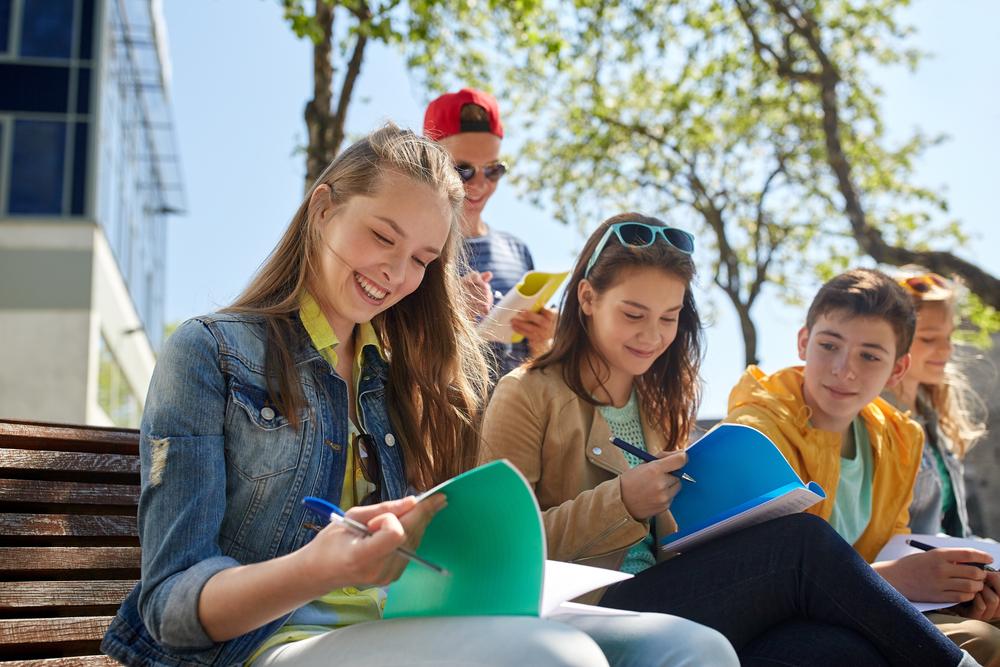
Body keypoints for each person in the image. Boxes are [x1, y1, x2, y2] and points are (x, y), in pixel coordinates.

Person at [100, 125, 734, 667]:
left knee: (691, 648)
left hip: (412, 621)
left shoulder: (412, 375)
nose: (398, 274)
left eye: (423, 258)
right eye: (383, 237)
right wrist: (320, 568)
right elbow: (168, 609)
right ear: (323, 208)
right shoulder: (211, 352)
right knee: (551, 658)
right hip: (277, 639)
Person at [480, 215, 978, 666]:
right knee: (800, 543)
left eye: (669, 317)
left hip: (670, 594)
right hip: (582, 606)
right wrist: (621, 502)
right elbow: (497, 549)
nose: (652, 335)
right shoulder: (526, 393)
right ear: (587, 299)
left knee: (839, 652)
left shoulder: (660, 401)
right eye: (634, 314)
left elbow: (677, 543)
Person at [726, 267, 998, 665]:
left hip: (867, 609)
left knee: (984, 633)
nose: (845, 369)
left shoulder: (900, 439)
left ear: (898, 369)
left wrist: (959, 588)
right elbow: (766, 583)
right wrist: (897, 580)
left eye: (870, 355)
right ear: (804, 342)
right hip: (774, 627)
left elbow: (896, 544)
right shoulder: (758, 430)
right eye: (830, 345)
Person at [881, 269, 999, 662]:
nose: (946, 352)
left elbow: (955, 530)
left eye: (948, 339)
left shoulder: (937, 420)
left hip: (956, 588)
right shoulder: (872, 422)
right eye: (930, 340)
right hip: (910, 592)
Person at [424, 87, 557, 379]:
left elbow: (533, 370)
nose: (481, 184)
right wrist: (451, 313)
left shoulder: (517, 251)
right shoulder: (415, 250)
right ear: (428, 163)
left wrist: (544, 342)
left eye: (493, 170)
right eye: (463, 169)